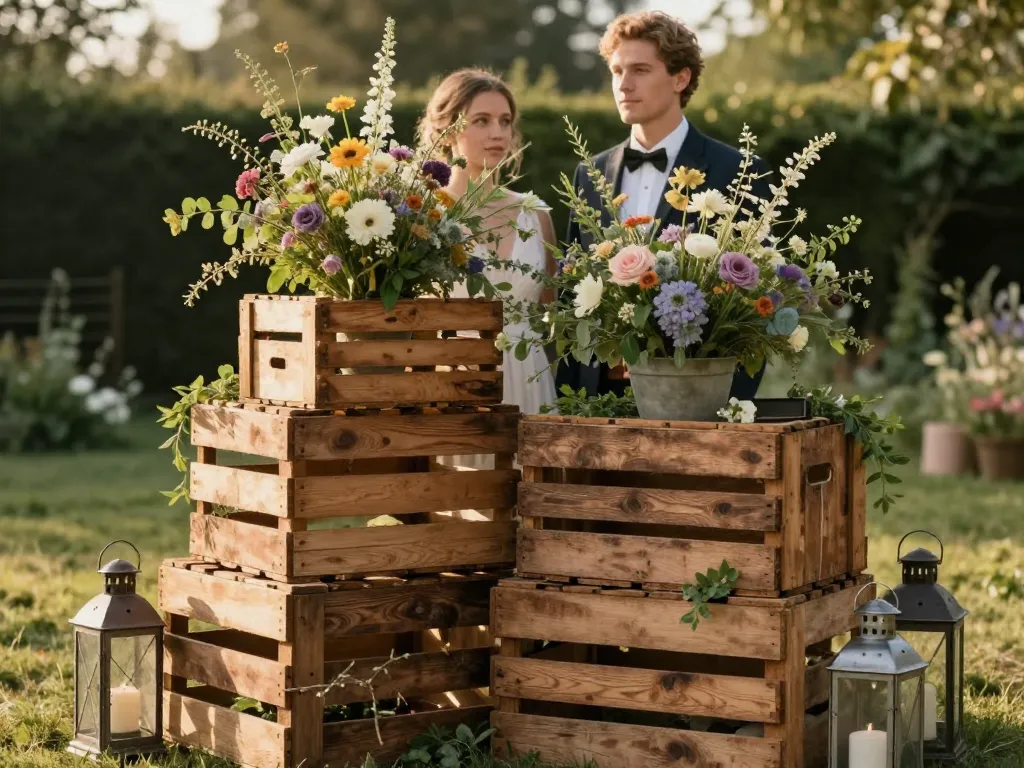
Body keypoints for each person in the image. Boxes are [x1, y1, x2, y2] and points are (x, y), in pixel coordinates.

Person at [558, 10, 772, 400]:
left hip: (696, 398)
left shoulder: (739, 173)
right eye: (617, 71)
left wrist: (726, 404)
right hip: (596, 403)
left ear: (681, 77)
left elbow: (757, 306)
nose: (624, 84)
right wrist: (571, 399)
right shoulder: (589, 173)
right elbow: (571, 293)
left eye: (640, 70)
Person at [419, 69, 558, 475]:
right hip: (453, 386)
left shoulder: (536, 213)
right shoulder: (423, 215)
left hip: (530, 379)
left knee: (533, 511)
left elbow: (551, 315)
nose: (497, 132)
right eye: (481, 121)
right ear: (447, 131)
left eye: (504, 121)